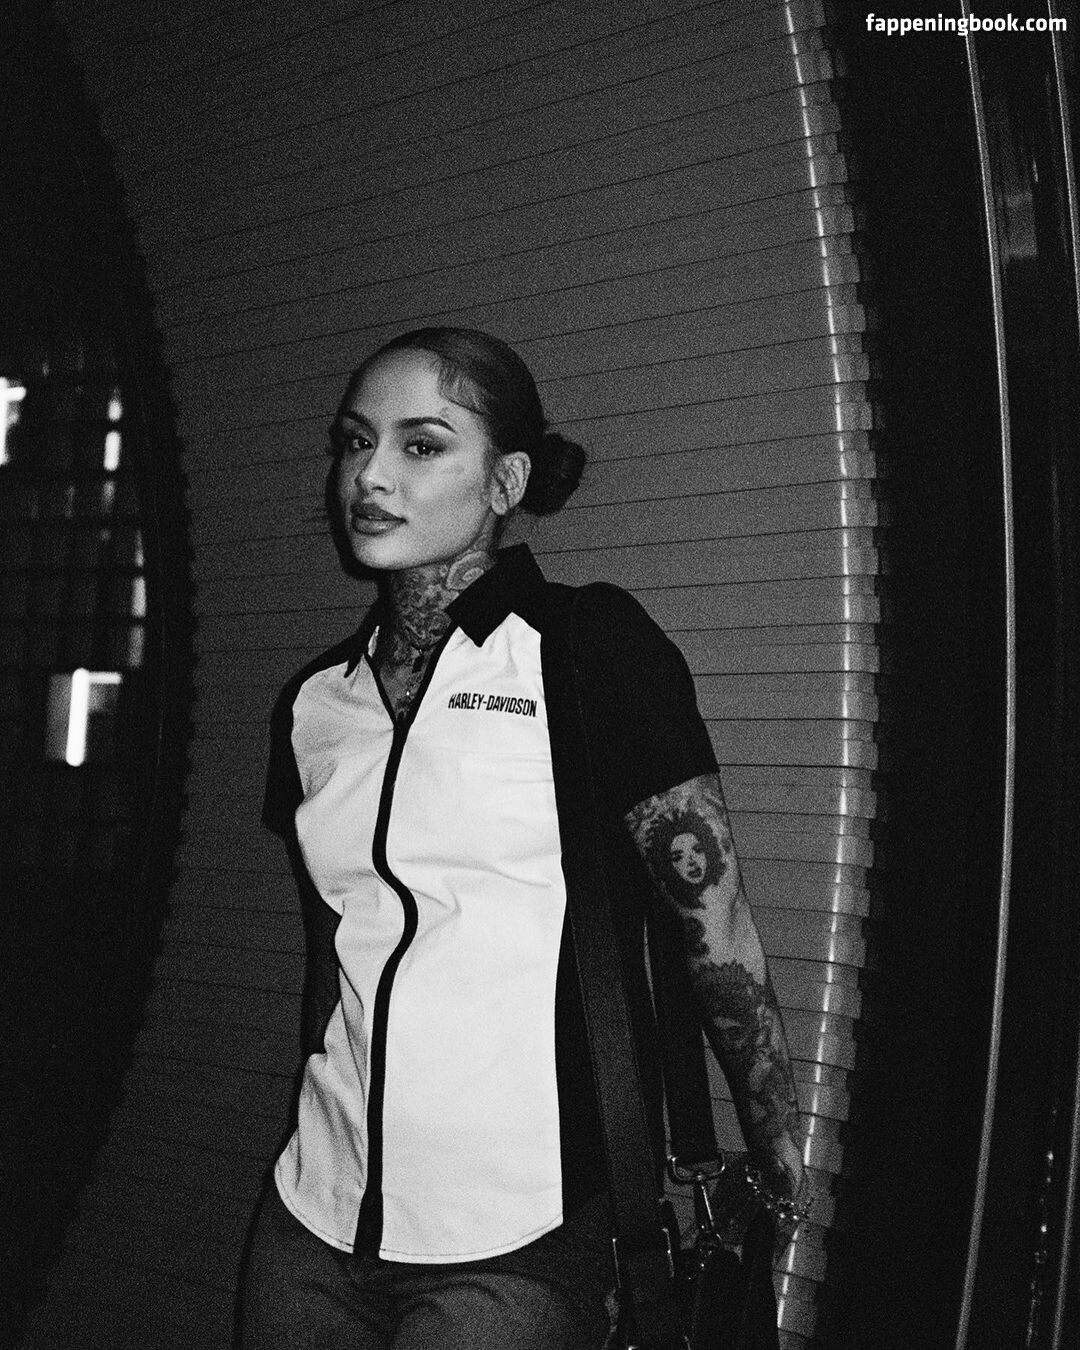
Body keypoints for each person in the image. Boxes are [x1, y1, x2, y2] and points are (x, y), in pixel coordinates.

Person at [239, 327, 806, 1349]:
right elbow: (335, 954)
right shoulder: (315, 704)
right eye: (355, 441)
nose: (369, 475)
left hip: (517, 1238)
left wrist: (776, 1145)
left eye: (421, 445)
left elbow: (713, 922)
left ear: (505, 481)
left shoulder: (587, 649)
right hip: (311, 1220)